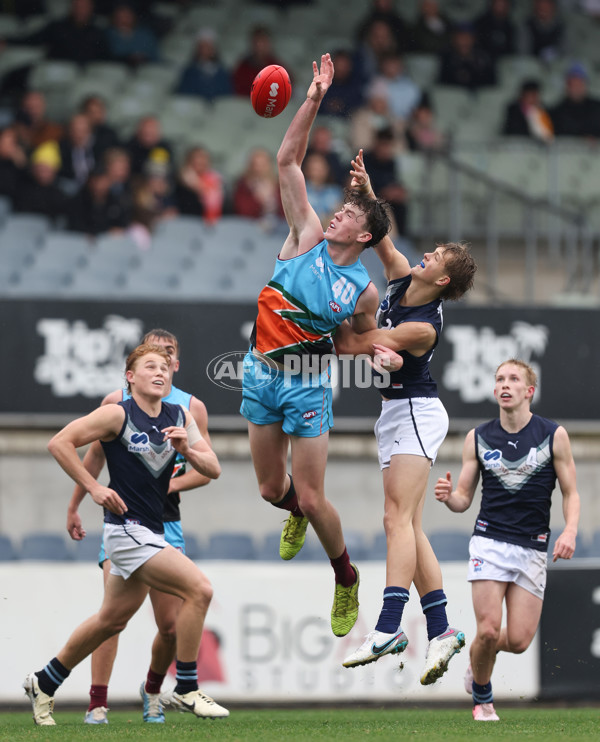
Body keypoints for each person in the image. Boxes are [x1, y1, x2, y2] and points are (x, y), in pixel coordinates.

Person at [239, 54, 389, 639]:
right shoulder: (304, 236)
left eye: (349, 212)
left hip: (306, 380)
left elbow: (352, 341)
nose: (336, 213)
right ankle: (295, 515)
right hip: (259, 371)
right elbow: (287, 160)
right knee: (272, 490)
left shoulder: (363, 289)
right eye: (340, 207)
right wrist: (314, 96)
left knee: (312, 492)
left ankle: (345, 575)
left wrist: (372, 351)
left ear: (365, 235)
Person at [24, 342, 226, 727]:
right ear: (130, 377)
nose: (160, 372)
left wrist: (189, 449)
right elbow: (59, 443)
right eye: (150, 366)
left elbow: (213, 468)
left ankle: (43, 682)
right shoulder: (117, 414)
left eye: (165, 367)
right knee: (200, 589)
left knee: (110, 621)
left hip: (151, 531)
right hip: (125, 531)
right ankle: (185, 686)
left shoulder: (180, 415)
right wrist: (93, 488)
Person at [334, 149, 476, 685]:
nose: (427, 254)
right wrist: (366, 191)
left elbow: (357, 342)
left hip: (417, 412)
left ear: (442, 280)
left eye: (436, 255)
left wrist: (317, 322)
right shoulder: (398, 278)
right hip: (396, 414)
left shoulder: (425, 327)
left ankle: (390, 624)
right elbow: (383, 238)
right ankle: (441, 631)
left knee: (396, 520)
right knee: (410, 527)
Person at [434, 359, 580, 721]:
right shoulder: (478, 437)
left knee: (516, 641)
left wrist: (571, 529)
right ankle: (483, 698)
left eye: (514, 379)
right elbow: (464, 499)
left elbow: (571, 492)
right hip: (489, 541)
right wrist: (449, 496)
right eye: (500, 378)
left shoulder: (552, 435)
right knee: (486, 628)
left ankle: (477, 661)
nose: (505, 384)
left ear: (529, 391)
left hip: (532, 545)